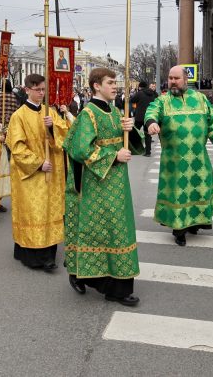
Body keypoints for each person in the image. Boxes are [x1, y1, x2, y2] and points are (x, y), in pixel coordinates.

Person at [64, 68, 144, 306]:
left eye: (115, 82)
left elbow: (128, 143)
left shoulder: (115, 110)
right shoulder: (88, 113)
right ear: (96, 86)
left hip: (117, 182)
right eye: (110, 82)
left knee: (118, 229)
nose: (115, 86)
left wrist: (129, 128)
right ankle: (103, 283)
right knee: (104, 230)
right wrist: (113, 155)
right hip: (98, 183)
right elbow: (80, 149)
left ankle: (115, 284)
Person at [145, 66, 213, 246]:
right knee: (179, 194)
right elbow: (151, 111)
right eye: (170, 78)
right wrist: (151, 122)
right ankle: (179, 230)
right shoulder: (163, 101)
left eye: (176, 78)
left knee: (199, 190)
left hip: (199, 159)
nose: (172, 82)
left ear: (186, 80)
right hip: (174, 162)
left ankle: (195, 223)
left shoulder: (200, 99)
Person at [5, 74, 71, 271]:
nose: (41, 93)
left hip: (52, 172)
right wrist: (38, 163)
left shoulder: (49, 112)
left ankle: (48, 252)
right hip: (31, 174)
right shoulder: (19, 116)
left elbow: (64, 138)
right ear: (27, 90)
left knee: (50, 211)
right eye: (37, 90)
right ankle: (37, 257)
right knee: (33, 214)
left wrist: (52, 129)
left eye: (43, 89)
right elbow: (16, 147)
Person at [130, 80, 158, 156]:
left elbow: (132, 100)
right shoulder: (153, 94)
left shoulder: (139, 93)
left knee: (135, 132)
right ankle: (148, 152)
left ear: (140, 87)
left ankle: (134, 148)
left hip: (139, 117)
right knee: (148, 134)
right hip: (149, 117)